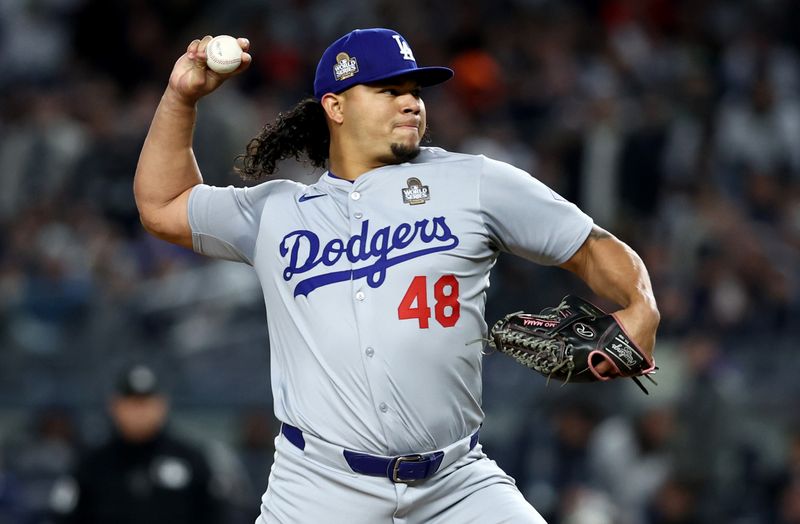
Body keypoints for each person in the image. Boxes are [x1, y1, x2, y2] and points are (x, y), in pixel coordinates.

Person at [133, 28, 660, 523]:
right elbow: (162, 204)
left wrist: (641, 308)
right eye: (388, 90)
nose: (411, 101)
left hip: (455, 482)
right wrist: (182, 99)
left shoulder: (472, 181)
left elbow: (591, 248)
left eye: (414, 90)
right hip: (318, 485)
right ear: (335, 107)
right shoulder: (276, 212)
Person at [49, 363, 225, 524]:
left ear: (162, 405)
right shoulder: (91, 465)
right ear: (115, 406)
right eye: (132, 403)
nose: (139, 412)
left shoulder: (191, 460)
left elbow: (218, 515)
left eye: (145, 403)